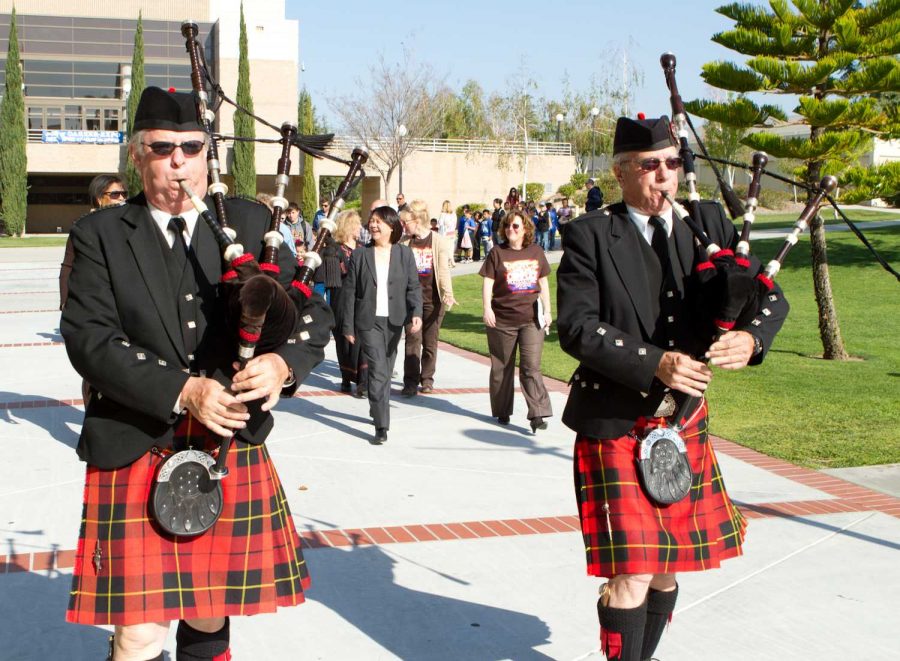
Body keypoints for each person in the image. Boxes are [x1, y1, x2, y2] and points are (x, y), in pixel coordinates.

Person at [59, 87, 332, 661]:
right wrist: (183, 390)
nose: (179, 159)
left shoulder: (254, 224)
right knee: (139, 632)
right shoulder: (101, 235)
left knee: (210, 613)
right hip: (136, 442)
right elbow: (91, 340)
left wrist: (283, 365)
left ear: (208, 152)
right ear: (138, 156)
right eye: (163, 147)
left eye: (191, 146)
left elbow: (312, 312)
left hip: (227, 445)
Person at [556, 115, 789, 661]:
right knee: (632, 574)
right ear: (620, 172)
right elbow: (576, 327)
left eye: (674, 163)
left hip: (682, 422)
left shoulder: (707, 222)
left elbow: (769, 298)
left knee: (664, 572)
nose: (665, 176)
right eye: (651, 165)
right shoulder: (591, 234)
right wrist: (654, 362)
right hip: (615, 417)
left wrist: (752, 339)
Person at [341, 206, 422, 443]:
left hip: (395, 321)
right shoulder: (360, 255)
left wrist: (416, 312)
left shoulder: (405, 255)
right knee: (377, 370)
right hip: (368, 322)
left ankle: (376, 408)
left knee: (385, 371)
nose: (373, 225)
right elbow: (349, 292)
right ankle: (381, 425)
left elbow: (413, 286)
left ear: (391, 226)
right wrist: (348, 326)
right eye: (372, 221)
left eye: (378, 222)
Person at [479, 210, 553, 433]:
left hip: (531, 320)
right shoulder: (497, 253)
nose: (511, 230)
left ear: (526, 229)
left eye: (516, 226)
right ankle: (502, 409)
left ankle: (538, 413)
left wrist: (548, 311)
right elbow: (488, 283)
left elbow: (544, 283)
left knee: (531, 367)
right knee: (502, 367)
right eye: (508, 226)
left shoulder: (536, 251)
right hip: (502, 320)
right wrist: (487, 309)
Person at [399, 201, 456, 396]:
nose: (403, 225)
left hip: (433, 300)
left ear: (416, 220)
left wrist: (448, 293)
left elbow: (443, 271)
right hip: (412, 301)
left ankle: (427, 379)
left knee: (430, 343)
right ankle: (410, 382)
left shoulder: (438, 241)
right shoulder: (405, 242)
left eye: (405, 221)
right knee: (412, 340)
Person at [60, 174, 128, 310]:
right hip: (95, 302)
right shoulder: (82, 228)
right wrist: (64, 300)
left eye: (124, 194)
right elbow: (68, 266)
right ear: (99, 199)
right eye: (115, 194)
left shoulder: (130, 226)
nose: (121, 198)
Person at [331, 210, 368, 396]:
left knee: (361, 339)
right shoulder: (336, 249)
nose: (360, 228)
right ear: (349, 226)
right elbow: (335, 277)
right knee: (343, 340)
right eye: (357, 224)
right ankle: (346, 377)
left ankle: (363, 381)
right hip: (341, 298)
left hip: (360, 299)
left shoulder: (364, 248)